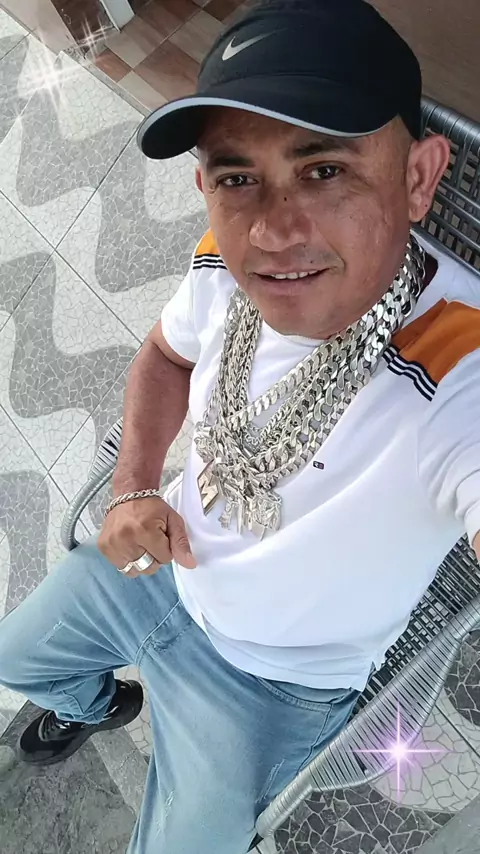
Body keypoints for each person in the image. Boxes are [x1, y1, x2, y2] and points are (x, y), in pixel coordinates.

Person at [1, 0, 480, 852]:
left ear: (418, 177)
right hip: (157, 567)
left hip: (268, 685)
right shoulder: (223, 267)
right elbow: (166, 355)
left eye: (324, 169)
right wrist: (132, 486)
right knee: (15, 659)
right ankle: (98, 703)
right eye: (236, 178)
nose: (272, 230)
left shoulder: (457, 362)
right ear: (204, 188)